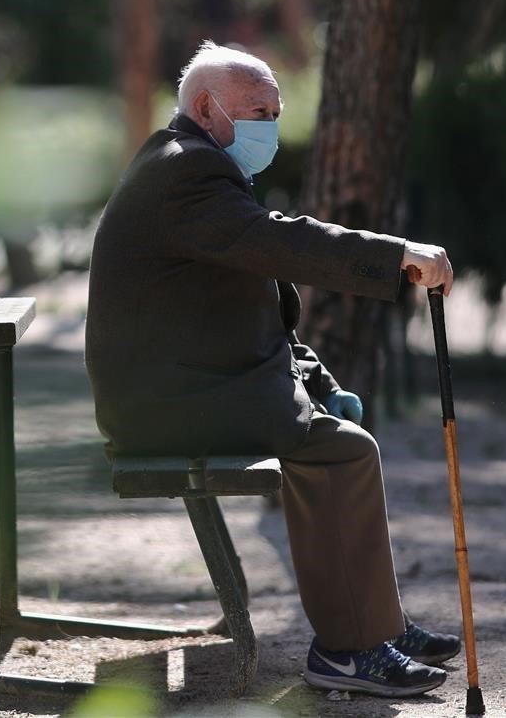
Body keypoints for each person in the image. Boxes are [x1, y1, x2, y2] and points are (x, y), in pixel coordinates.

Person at [85, 41, 459, 697]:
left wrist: (320, 383)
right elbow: (283, 242)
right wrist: (396, 254)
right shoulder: (187, 174)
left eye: (275, 111)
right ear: (206, 108)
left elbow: (250, 311)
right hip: (165, 405)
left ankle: (374, 627)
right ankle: (349, 649)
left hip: (180, 388)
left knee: (335, 441)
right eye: (258, 110)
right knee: (343, 452)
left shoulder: (185, 162)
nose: (270, 127)